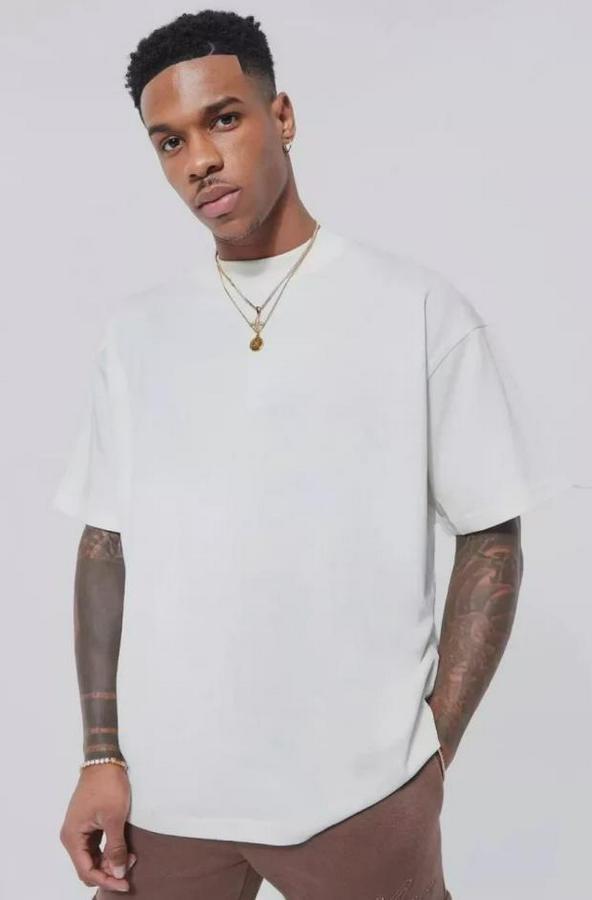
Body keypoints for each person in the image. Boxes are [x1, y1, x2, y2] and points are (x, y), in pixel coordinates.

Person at [52, 10, 569, 900]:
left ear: (281, 115)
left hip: (359, 798)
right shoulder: (137, 333)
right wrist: (101, 755)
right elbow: (106, 543)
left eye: (223, 119)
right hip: (167, 798)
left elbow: (491, 531)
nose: (199, 160)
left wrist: (432, 751)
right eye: (169, 142)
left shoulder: (415, 308)